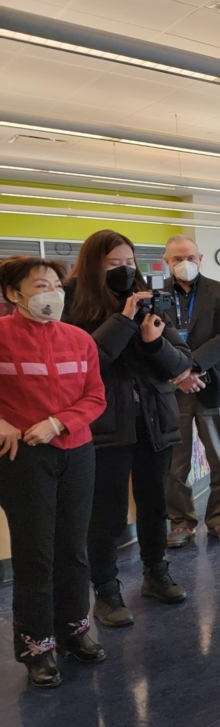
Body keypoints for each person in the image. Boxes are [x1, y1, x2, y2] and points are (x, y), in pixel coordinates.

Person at [64, 230, 192, 628]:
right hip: (104, 425)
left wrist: (154, 341)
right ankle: (106, 591)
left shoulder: (147, 298)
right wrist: (123, 319)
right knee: (107, 514)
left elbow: (180, 363)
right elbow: (86, 361)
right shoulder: (71, 302)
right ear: (93, 265)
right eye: (113, 264)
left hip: (153, 420)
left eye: (129, 262)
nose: (124, 270)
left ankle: (157, 573)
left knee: (155, 504)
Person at [0, 257, 107, 688]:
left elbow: (95, 397)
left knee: (73, 549)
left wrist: (59, 423)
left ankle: (74, 631)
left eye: (57, 286)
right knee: (35, 555)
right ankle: (37, 647)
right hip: (24, 458)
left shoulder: (80, 339)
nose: (53, 294)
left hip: (76, 452)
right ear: (13, 294)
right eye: (41, 285)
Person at [162, 235, 220, 548]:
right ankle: (181, 522)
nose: (184, 263)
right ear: (166, 262)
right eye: (177, 258)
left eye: (190, 257)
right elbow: (152, 340)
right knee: (175, 465)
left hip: (215, 385)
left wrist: (191, 368)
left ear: (200, 259)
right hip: (172, 390)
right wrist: (179, 374)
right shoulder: (155, 295)